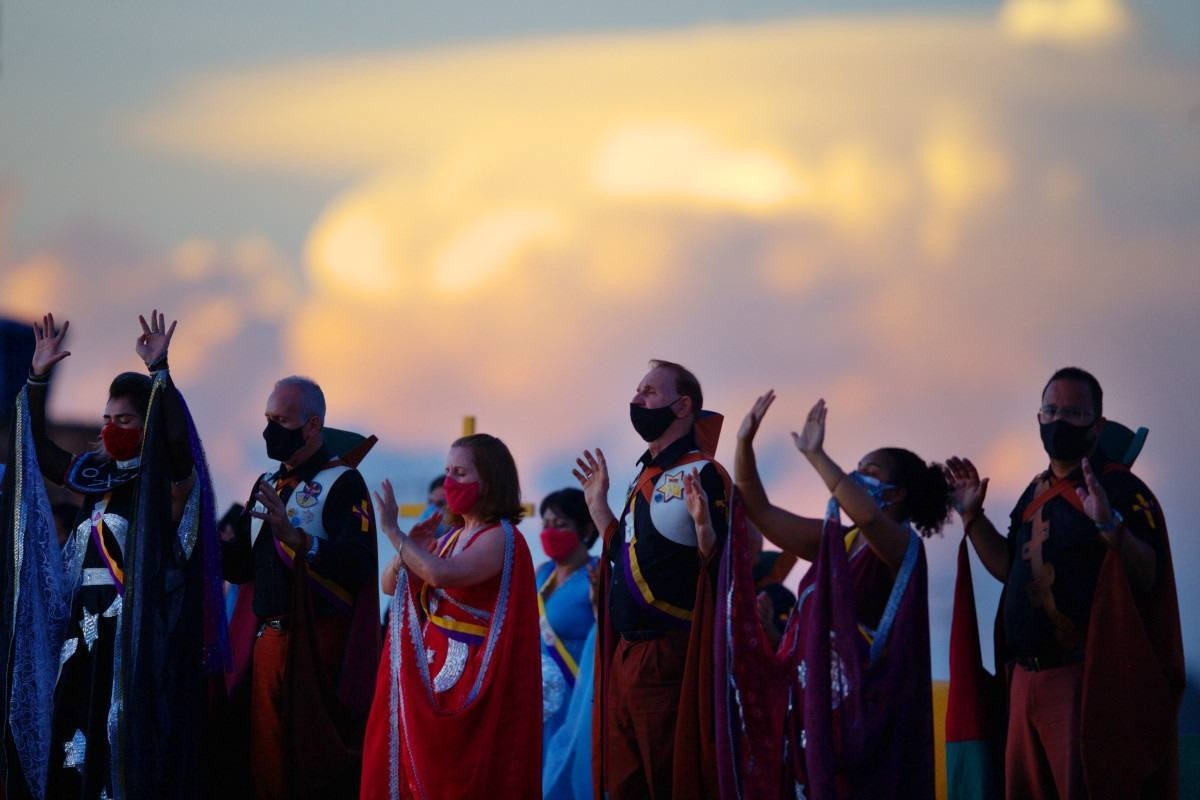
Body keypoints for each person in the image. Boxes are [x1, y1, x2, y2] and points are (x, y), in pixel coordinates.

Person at [1, 311, 226, 800]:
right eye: (106, 420)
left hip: (135, 639)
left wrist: (160, 371)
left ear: (144, 425)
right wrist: (37, 377)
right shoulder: (93, 477)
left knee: (120, 743)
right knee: (70, 737)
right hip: (80, 635)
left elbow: (177, 446)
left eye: (123, 420)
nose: (110, 428)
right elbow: (37, 448)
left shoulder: (163, 488)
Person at [947, 367, 1183, 799]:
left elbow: (1149, 575)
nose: (1059, 421)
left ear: (1097, 424)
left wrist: (1111, 527)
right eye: (1051, 410)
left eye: (1073, 413)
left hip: (1082, 681)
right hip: (1023, 678)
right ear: (1038, 418)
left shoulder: (1122, 489)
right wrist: (971, 517)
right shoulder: (1034, 489)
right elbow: (1007, 568)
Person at [721, 391, 949, 798]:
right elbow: (760, 509)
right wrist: (743, 444)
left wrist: (816, 456)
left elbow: (865, 513)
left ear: (895, 494)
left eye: (869, 471)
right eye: (855, 469)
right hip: (812, 709)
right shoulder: (839, 542)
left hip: (860, 718)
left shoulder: (900, 546)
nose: (855, 476)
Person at [573, 359, 729, 799]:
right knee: (623, 785)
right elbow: (625, 557)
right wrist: (598, 505)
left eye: (649, 392)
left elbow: (723, 565)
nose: (637, 399)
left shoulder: (704, 473)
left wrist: (704, 531)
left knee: (668, 779)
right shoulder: (643, 476)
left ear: (682, 406)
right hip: (624, 653)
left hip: (667, 654)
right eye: (637, 390)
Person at [220, 376, 379, 799]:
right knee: (260, 760)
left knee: (306, 764)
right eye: (268, 418)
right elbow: (242, 569)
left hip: (317, 641)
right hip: (265, 638)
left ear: (311, 426)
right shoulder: (267, 483)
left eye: (282, 420)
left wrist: (299, 541)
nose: (271, 429)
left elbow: (359, 563)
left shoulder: (341, 482)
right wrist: (209, 539)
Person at [360, 433, 540, 799]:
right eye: (446, 471)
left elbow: (443, 576)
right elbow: (390, 585)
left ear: (488, 482)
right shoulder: (449, 537)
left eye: (459, 473)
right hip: (429, 672)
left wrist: (394, 533)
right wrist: (412, 546)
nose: (449, 482)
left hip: (470, 678)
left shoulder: (500, 537)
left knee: (452, 780)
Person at [535, 488, 598, 799]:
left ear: (585, 529)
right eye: (545, 524)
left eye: (560, 525)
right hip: (538, 706)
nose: (549, 532)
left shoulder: (598, 575)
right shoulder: (541, 574)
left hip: (578, 701)